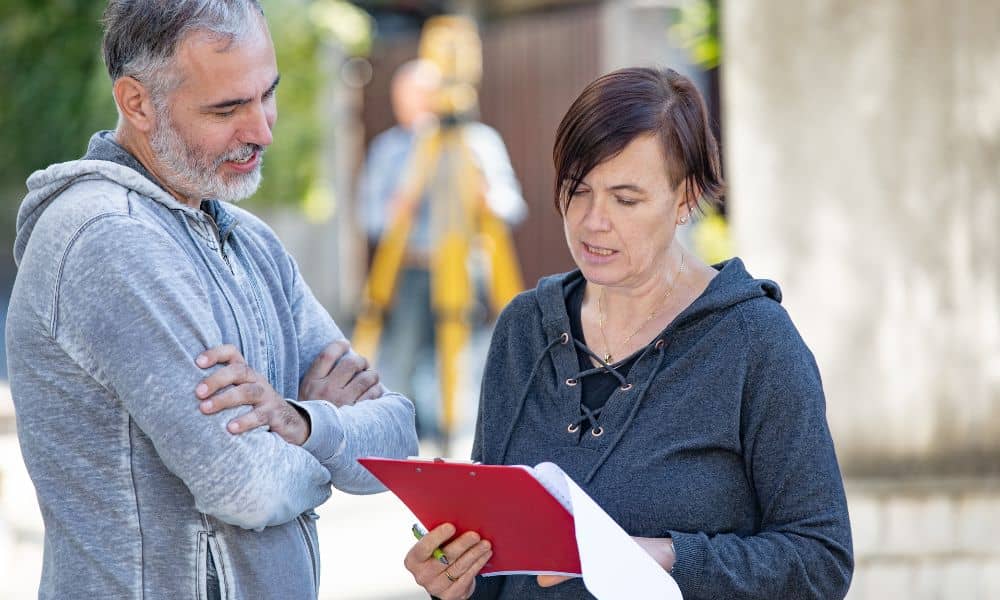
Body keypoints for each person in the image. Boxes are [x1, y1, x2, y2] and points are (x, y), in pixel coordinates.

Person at [5, 1, 418, 599]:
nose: (262, 131)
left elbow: (399, 445)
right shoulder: (107, 237)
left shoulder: (250, 240)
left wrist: (299, 421)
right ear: (136, 103)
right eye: (227, 109)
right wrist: (333, 440)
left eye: (267, 95)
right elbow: (247, 488)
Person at [400, 67, 854, 599]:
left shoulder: (755, 341)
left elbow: (821, 561)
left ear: (685, 198)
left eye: (626, 199)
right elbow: (498, 563)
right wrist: (455, 579)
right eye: (578, 190)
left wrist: (666, 557)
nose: (593, 221)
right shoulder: (524, 328)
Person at [357, 59, 527, 440]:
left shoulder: (478, 142)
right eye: (403, 98)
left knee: (464, 361)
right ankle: (399, 434)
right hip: (410, 269)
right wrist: (397, 209)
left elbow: (512, 204)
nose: (410, 107)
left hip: (467, 271)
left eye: (418, 96)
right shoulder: (389, 150)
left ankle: (461, 434)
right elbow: (368, 215)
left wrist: (487, 198)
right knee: (401, 358)